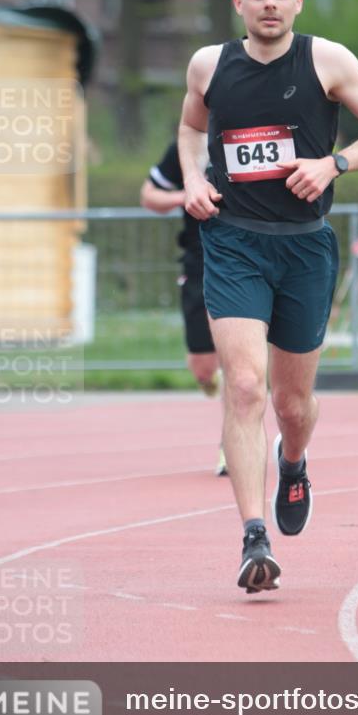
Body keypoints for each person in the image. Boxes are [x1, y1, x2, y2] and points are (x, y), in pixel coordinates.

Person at [178, 0, 358, 593]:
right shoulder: (208, 65)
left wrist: (334, 164)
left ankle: (294, 461)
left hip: (304, 248)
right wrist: (193, 179)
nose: (270, 3)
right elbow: (191, 127)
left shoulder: (327, 60)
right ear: (239, 4)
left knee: (291, 404)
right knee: (246, 386)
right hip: (233, 242)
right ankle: (254, 536)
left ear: (298, 2)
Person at [140, 140, 227, 476]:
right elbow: (149, 195)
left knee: (238, 363)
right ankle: (212, 380)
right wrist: (186, 194)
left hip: (241, 258)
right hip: (198, 261)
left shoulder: (250, 132)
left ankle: (233, 443)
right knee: (204, 368)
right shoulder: (186, 146)